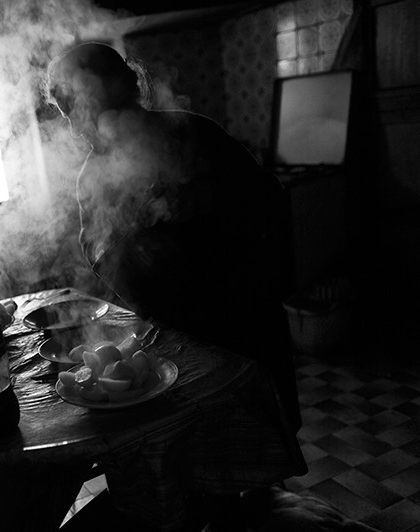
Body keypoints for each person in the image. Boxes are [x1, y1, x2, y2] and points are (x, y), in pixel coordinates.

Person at [46, 42, 300, 432]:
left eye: (78, 111)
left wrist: (197, 204)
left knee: (255, 441)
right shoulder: (93, 176)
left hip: (244, 327)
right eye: (67, 116)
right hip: (176, 338)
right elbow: (95, 247)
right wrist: (117, 249)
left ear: (115, 93)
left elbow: (268, 200)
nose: (75, 127)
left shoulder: (194, 134)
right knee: (197, 448)